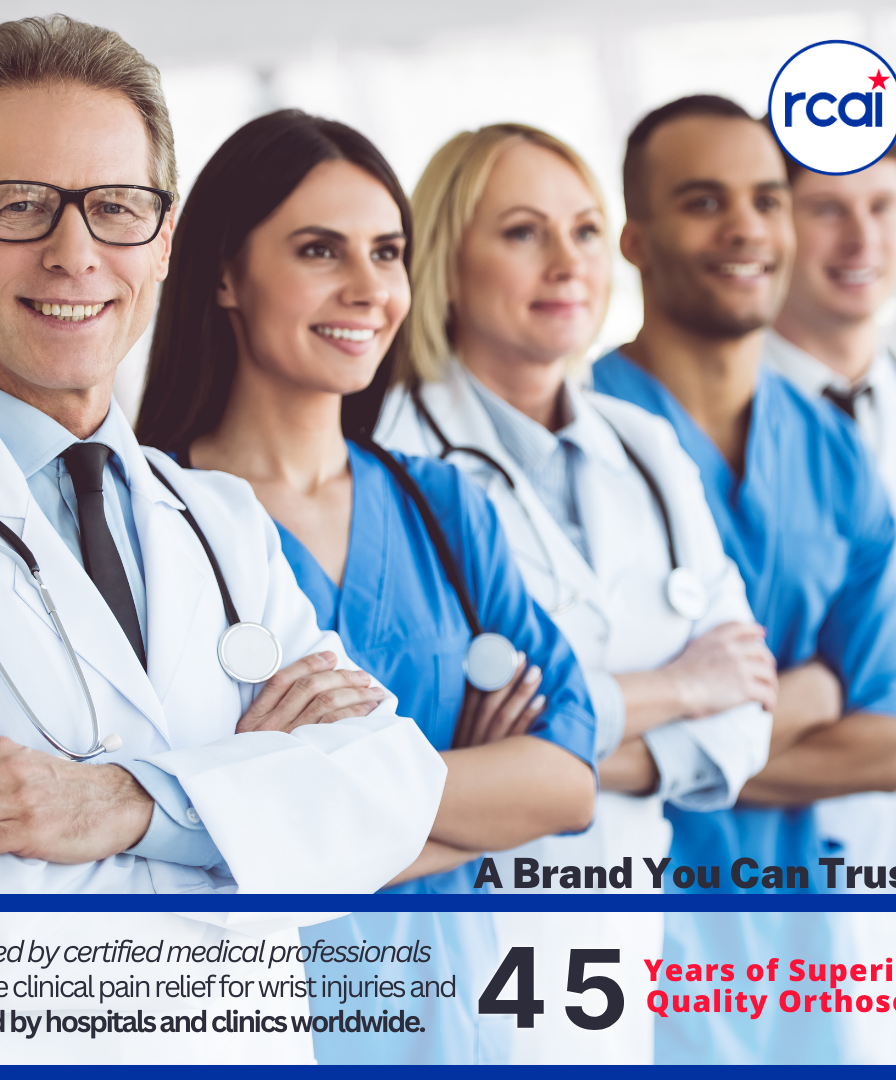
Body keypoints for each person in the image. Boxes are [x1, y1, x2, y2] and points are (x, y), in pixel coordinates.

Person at [0, 16, 448, 896]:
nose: (74, 255)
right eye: (20, 204)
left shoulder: (220, 519)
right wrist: (248, 816)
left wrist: (124, 804)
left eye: (116, 208)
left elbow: (390, 801)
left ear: (165, 239)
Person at [135, 109, 598, 1063]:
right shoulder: (148, 526)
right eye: (320, 250)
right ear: (222, 274)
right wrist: (476, 808)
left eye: (387, 252)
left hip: (459, 1033)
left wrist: (290, 815)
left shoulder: (445, 507)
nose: (368, 288)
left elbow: (565, 783)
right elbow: (168, 856)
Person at [375, 122, 773, 1065]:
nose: (568, 262)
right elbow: (414, 753)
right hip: (458, 944)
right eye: (523, 232)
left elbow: (747, 712)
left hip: (616, 954)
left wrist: (544, 761)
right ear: (446, 261)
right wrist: (680, 688)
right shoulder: (391, 461)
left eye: (587, 230)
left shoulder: (647, 446)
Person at [591, 94, 896, 1064]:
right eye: (704, 202)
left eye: (768, 200)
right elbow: (540, 749)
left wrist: (642, 757)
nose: (746, 229)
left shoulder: (830, 448)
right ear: (636, 239)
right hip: (620, 950)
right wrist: (810, 697)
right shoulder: (572, 439)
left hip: (798, 960)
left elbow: (891, 743)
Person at [764, 142, 896, 871]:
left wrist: (838, 687)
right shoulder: (695, 421)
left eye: (882, 207)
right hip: (732, 854)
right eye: (828, 210)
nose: (862, 238)